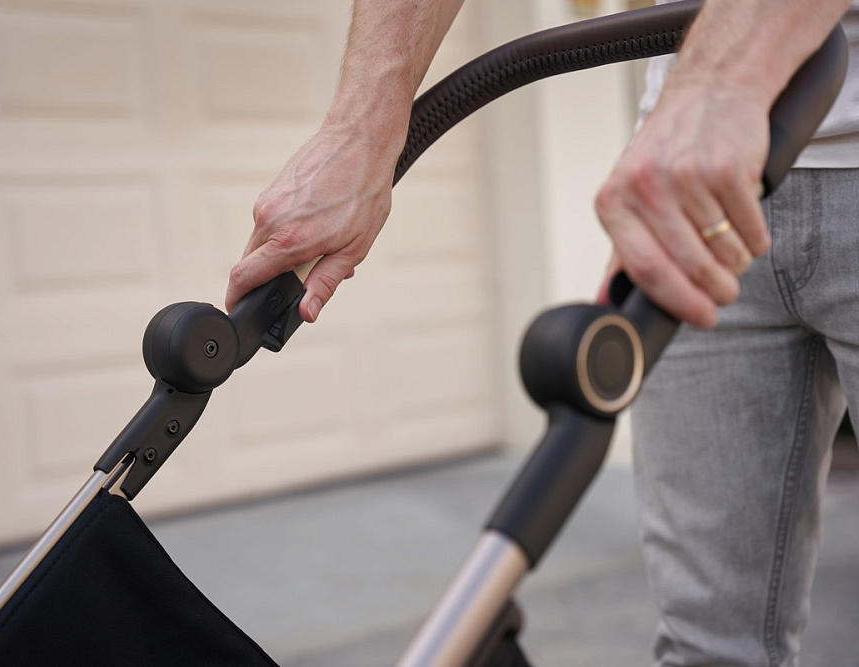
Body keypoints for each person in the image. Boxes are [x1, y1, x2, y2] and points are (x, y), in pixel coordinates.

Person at [225, 0, 858, 665]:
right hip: (691, 185)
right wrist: (359, 131)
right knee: (708, 645)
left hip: (720, 120)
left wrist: (722, 81)